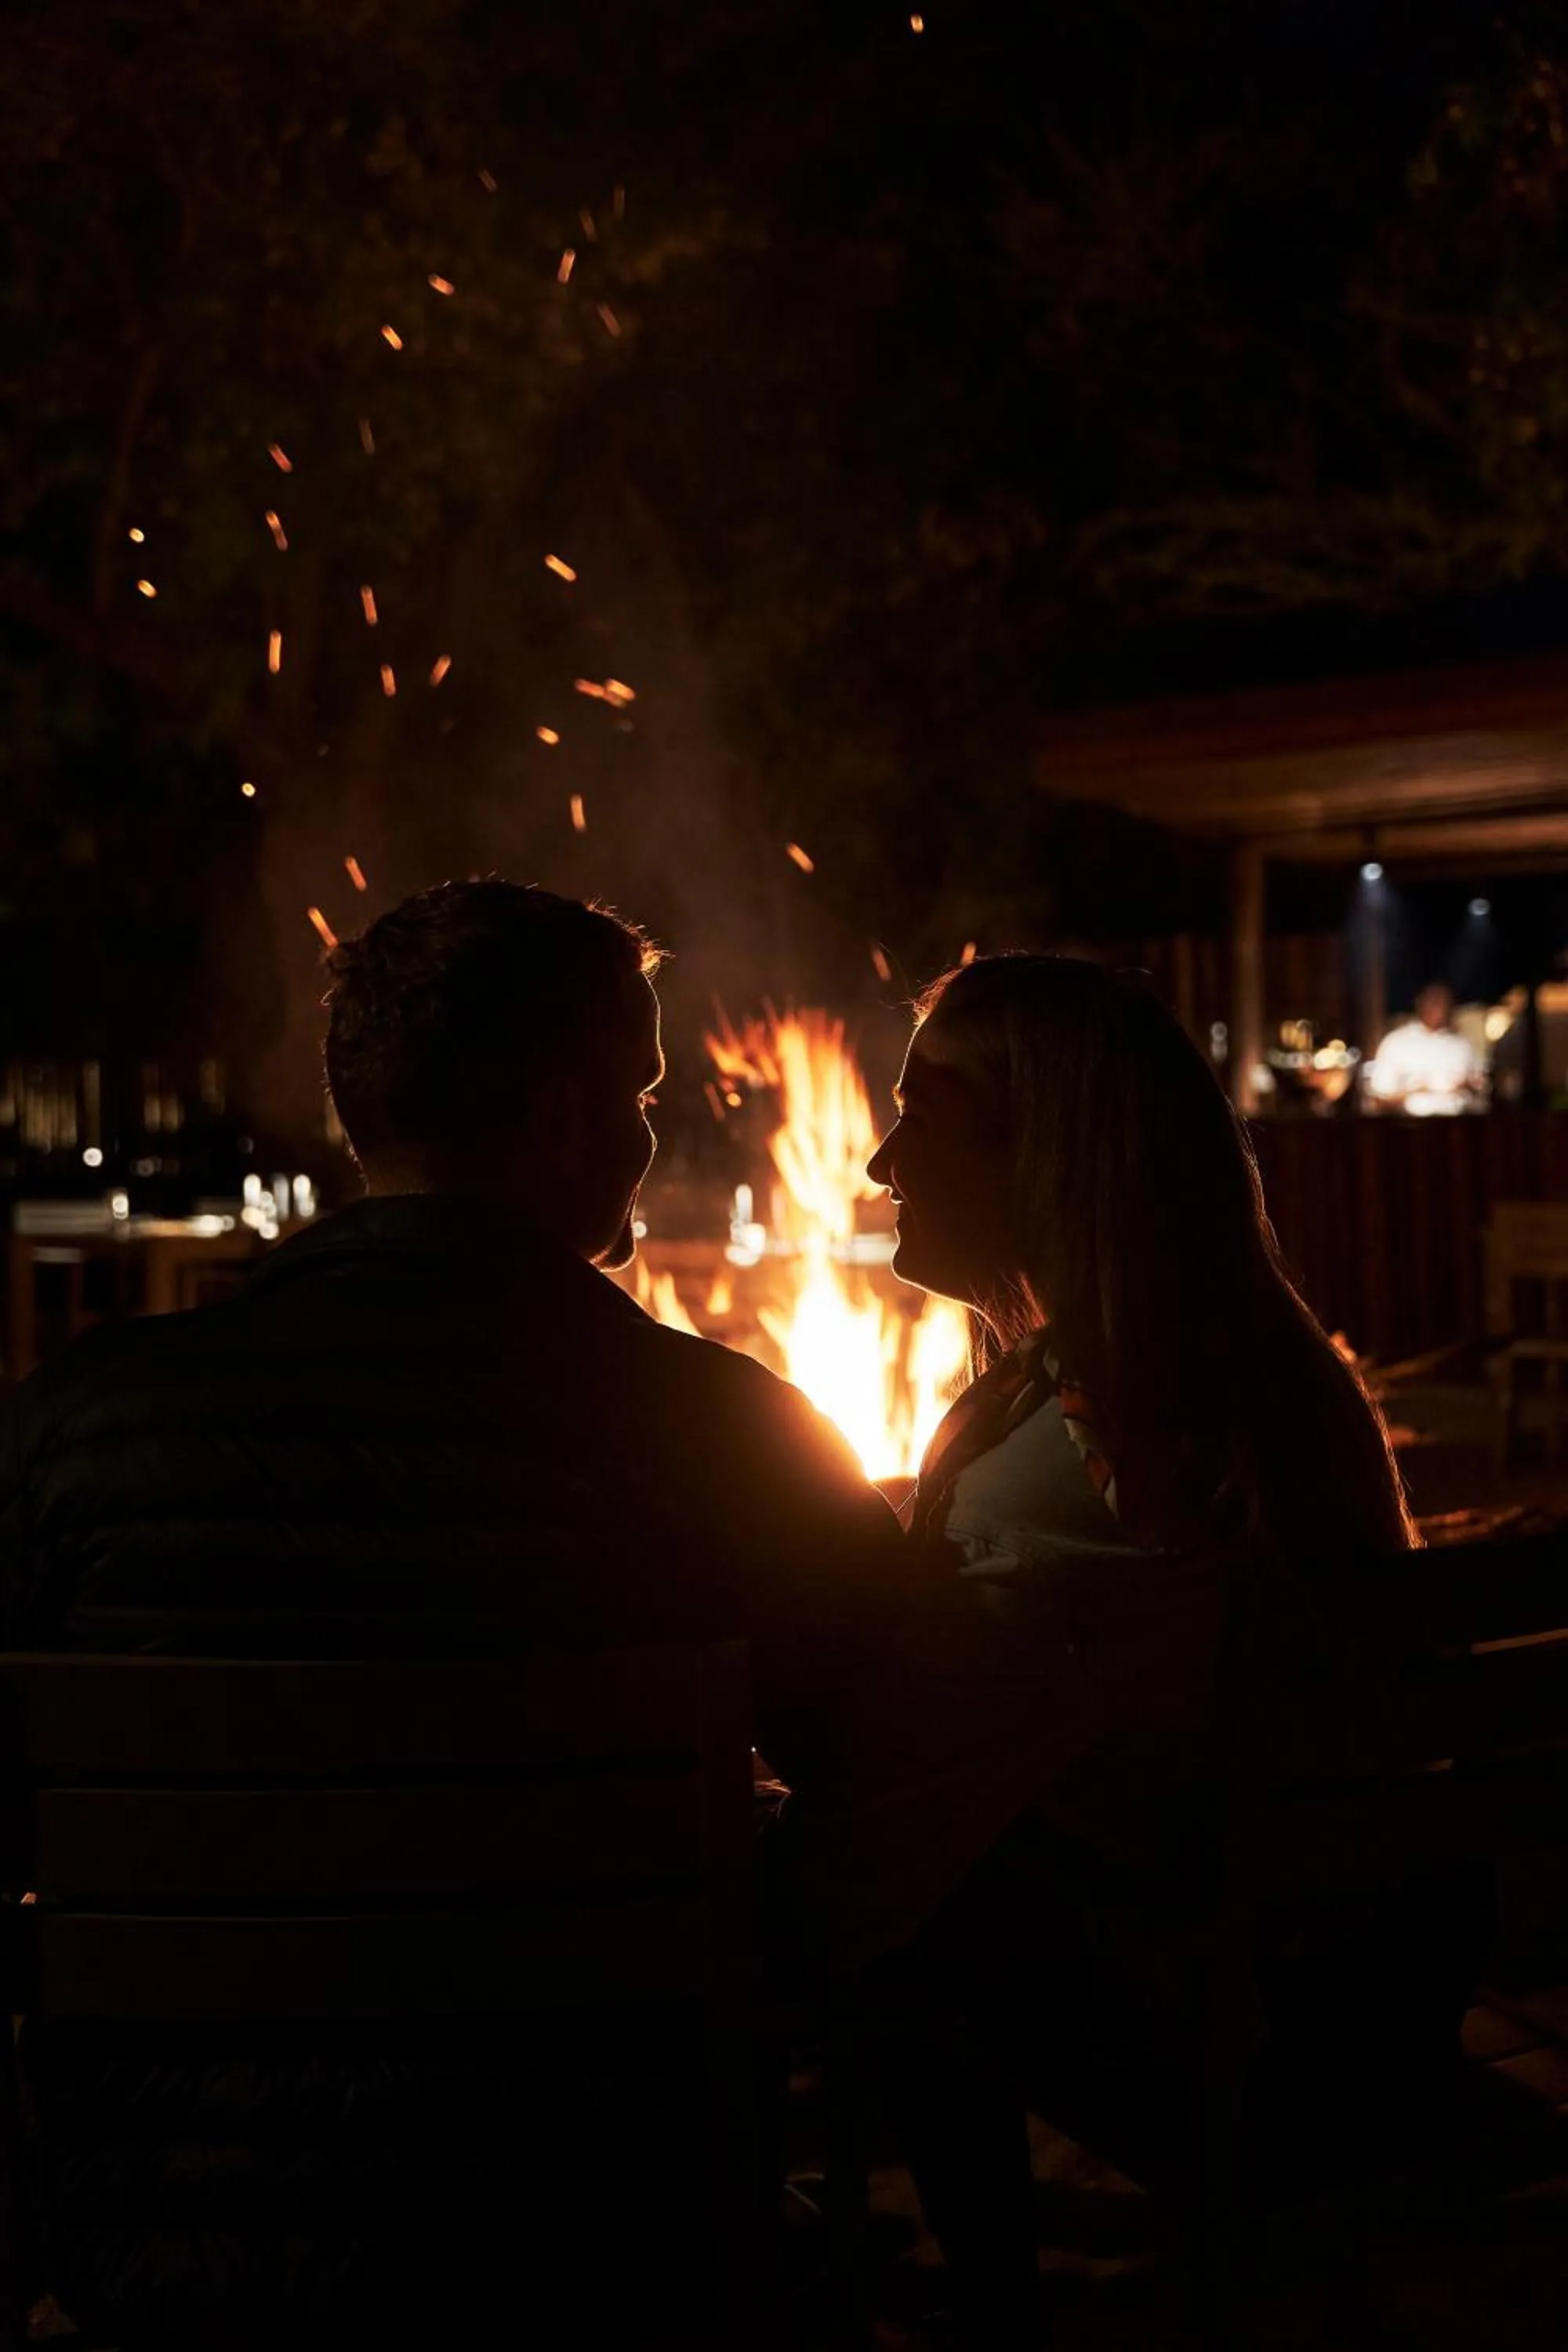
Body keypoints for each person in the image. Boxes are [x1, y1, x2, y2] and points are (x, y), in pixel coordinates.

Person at [0, 880, 908, 2349]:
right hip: (611, 2239)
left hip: (168, 2245)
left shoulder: (78, 1430)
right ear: (561, 1119)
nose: (649, 1129)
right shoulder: (716, 1429)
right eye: (641, 1090)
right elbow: (908, 1725)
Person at [781, 954, 1489, 2346]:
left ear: (1043, 1140)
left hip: (1269, 2068)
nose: (875, 1158)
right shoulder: (1263, 1371)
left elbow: (901, 1785)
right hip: (1385, 2009)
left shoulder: (1090, 1445)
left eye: (926, 1111)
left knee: (881, 1910)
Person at [1363, 980, 1485, 1115]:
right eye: (1434, 1000)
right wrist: (1416, 1091)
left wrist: (1467, 1087)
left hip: (1457, 1125)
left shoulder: (1463, 1046)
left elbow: (1481, 1090)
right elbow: (1379, 1097)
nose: (1439, 1007)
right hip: (1409, 1125)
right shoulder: (1396, 1042)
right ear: (1420, 1003)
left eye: (1444, 1001)